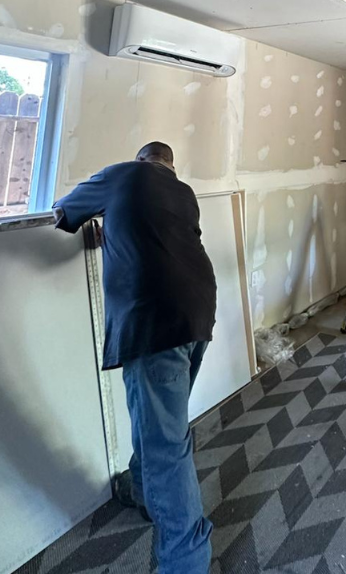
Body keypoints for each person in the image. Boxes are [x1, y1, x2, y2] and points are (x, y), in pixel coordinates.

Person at [53, 141, 215, 574]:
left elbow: (63, 211)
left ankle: (186, 562)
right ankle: (140, 489)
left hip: (154, 319)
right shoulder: (183, 193)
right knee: (161, 418)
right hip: (198, 311)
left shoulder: (123, 173)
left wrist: (104, 217)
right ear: (170, 165)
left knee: (166, 443)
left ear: (141, 158)